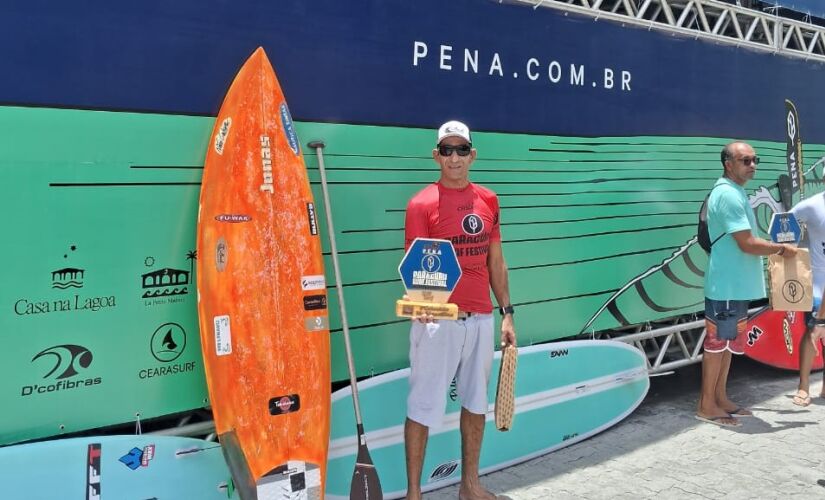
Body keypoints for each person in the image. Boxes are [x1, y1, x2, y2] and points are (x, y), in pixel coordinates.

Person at [403, 120, 516, 500]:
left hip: (482, 318)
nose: (454, 157)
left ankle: (469, 486)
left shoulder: (489, 200)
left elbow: (495, 262)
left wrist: (507, 313)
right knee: (422, 406)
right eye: (447, 150)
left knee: (474, 403)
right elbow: (418, 262)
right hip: (439, 322)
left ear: (473, 155)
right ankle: (415, 494)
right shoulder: (421, 204)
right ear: (436, 156)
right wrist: (421, 306)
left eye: (461, 149)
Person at [698, 141, 797, 427]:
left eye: (755, 159)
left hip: (735, 286)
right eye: (745, 160)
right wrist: (780, 249)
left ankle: (720, 398)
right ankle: (706, 405)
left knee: (728, 345)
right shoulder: (727, 195)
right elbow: (747, 243)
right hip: (726, 287)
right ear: (728, 164)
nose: (752, 165)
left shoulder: (736, 192)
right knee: (717, 345)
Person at [790, 188, 825, 406]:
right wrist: (791, 251)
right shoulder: (812, 205)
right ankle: (803, 387)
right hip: (818, 284)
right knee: (813, 331)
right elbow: (782, 225)